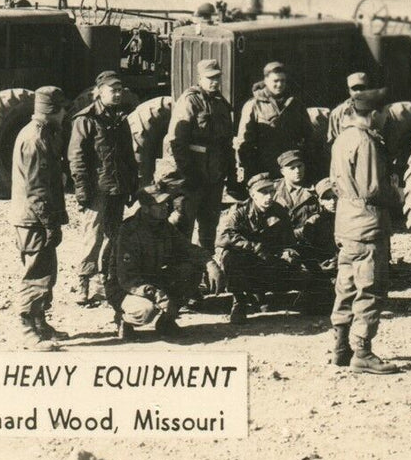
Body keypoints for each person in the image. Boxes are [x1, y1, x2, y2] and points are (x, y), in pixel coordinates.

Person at [329, 87, 402, 374]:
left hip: (346, 221)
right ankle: (362, 351)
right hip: (368, 223)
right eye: (383, 113)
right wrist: (396, 194)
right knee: (370, 288)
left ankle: (340, 347)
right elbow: (373, 188)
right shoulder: (366, 142)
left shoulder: (342, 138)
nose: (385, 117)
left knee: (345, 286)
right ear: (373, 115)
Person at [107, 185, 220, 340]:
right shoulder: (129, 232)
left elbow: (187, 248)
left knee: (191, 269)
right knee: (146, 311)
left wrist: (210, 263)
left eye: (166, 203)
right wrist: (159, 295)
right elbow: (127, 278)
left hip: (152, 279)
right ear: (146, 208)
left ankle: (165, 322)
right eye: (159, 205)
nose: (165, 207)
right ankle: (123, 320)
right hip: (124, 288)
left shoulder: (164, 226)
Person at [67, 72, 139, 307]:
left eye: (120, 90)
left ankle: (107, 283)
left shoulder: (120, 118)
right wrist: (82, 191)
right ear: (99, 91)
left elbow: (129, 156)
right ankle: (84, 282)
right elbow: (76, 159)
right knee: (92, 237)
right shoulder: (85, 120)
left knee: (114, 237)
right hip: (97, 190)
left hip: (117, 189)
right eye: (112, 90)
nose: (117, 94)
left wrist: (132, 185)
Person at [215, 173, 326, 323]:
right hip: (246, 259)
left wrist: (288, 253)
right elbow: (223, 238)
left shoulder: (279, 211)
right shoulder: (238, 212)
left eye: (271, 192)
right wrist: (252, 247)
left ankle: (269, 296)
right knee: (230, 257)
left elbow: (289, 241)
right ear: (253, 194)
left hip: (269, 259)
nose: (269, 197)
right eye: (263, 192)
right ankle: (239, 302)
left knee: (301, 271)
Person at [154, 58, 236, 253]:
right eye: (210, 78)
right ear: (200, 78)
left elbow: (227, 143)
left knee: (209, 227)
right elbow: (177, 142)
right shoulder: (190, 100)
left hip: (214, 177)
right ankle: (182, 276)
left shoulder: (221, 103)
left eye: (217, 77)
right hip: (193, 177)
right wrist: (188, 174)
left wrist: (230, 173)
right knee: (184, 225)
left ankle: (205, 271)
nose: (214, 82)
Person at [10, 86, 69, 347]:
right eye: (62, 108)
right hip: (33, 220)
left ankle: (40, 324)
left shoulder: (44, 135)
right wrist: (49, 223)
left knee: (47, 272)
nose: (66, 112)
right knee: (35, 274)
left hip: (37, 219)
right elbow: (36, 190)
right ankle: (26, 330)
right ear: (53, 111)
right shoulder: (35, 141)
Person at [236, 61, 315, 183]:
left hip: (290, 165)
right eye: (275, 81)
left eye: (283, 81)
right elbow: (244, 141)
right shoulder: (253, 105)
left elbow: (308, 134)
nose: (279, 84)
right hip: (264, 165)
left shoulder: (295, 104)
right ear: (266, 81)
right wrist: (248, 167)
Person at [274, 149, 334, 273]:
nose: (297, 171)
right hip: (279, 243)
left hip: (309, 243)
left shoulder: (316, 189)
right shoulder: (272, 191)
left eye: (300, 166)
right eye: (292, 168)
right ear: (282, 171)